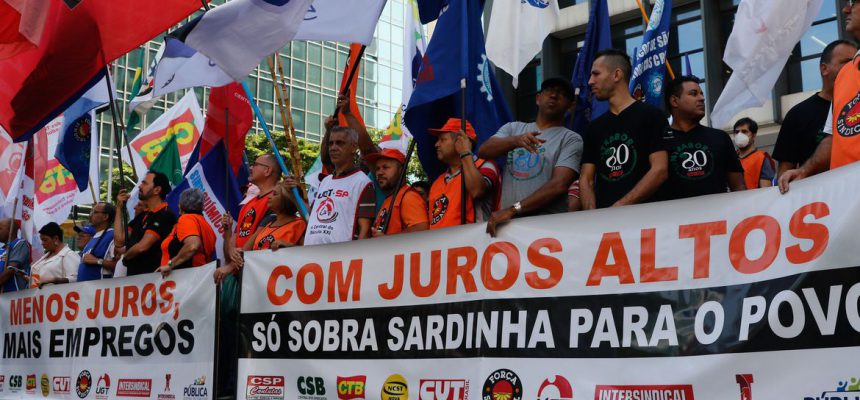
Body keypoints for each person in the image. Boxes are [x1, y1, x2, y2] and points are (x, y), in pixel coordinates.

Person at [478, 77, 583, 236]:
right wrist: (515, 141)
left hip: (548, 228)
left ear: (571, 106)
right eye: (548, 90)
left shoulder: (571, 139)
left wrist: (513, 209)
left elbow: (558, 185)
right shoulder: (513, 128)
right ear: (537, 98)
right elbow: (484, 151)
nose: (554, 95)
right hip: (509, 227)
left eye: (562, 93)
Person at [780, 1, 860, 192]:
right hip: (847, 198)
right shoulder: (845, 75)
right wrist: (804, 171)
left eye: (854, 2)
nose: (846, 9)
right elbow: (834, 138)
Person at [580, 48, 669, 209]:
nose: (590, 81)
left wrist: (620, 207)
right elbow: (586, 179)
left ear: (616, 75)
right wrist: (593, 217)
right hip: (604, 222)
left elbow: (660, 170)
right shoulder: (594, 128)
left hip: (648, 218)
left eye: (596, 74)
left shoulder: (652, 116)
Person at [773, 40, 858, 178]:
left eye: (856, 63)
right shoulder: (798, 114)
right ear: (824, 69)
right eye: (847, 62)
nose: (852, 68)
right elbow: (784, 175)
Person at [660, 76, 746, 199]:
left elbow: (738, 187)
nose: (702, 98)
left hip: (717, 211)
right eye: (693, 94)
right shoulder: (658, 141)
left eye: (701, 94)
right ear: (674, 101)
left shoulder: (720, 138)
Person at [300, 124, 376, 245]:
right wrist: (292, 194)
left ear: (353, 147)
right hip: (311, 254)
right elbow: (311, 216)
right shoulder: (325, 181)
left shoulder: (363, 182)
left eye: (339, 143)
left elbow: (365, 230)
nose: (333, 148)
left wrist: (358, 255)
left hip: (341, 255)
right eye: (331, 143)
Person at [215, 184, 307, 283]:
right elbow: (245, 253)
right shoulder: (268, 224)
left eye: (275, 194)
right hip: (256, 282)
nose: (269, 196)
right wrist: (229, 234)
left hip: (280, 283)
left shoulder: (300, 224)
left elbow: (308, 254)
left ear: (287, 199)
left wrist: (289, 247)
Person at [426, 118, 500, 230]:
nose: (437, 144)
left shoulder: (485, 166)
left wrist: (465, 152)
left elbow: (477, 190)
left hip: (475, 240)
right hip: (440, 241)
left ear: (460, 141)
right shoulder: (437, 182)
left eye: (442, 139)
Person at [223, 154, 281, 270]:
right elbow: (229, 253)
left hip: (255, 272)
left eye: (255, 164)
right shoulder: (247, 205)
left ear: (267, 171)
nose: (250, 168)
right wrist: (228, 232)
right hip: (238, 272)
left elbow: (259, 236)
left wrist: (231, 266)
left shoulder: (276, 201)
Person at [117, 171, 177, 275]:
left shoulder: (165, 214)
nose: (140, 186)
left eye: (144, 183)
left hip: (154, 279)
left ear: (157, 190)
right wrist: (118, 208)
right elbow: (119, 241)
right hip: (136, 280)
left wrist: (126, 256)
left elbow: (142, 247)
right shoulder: (142, 215)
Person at [367, 148, 429, 236]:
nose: (379, 172)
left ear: (401, 170)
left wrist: (387, 240)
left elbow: (421, 228)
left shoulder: (408, 196)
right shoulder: (390, 198)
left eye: (385, 167)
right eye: (377, 168)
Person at [156, 189, 216, 276]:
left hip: (183, 279)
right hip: (199, 277)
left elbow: (192, 246)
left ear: (181, 206)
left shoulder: (186, 219)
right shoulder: (207, 226)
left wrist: (170, 264)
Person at [77, 202, 118, 282]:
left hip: (101, 287)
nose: (90, 215)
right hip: (85, 288)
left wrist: (97, 261)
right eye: (91, 211)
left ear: (105, 217)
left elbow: (120, 266)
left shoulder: (112, 236)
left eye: (95, 212)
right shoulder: (94, 237)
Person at [30, 222, 78, 287]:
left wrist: (56, 280)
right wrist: (30, 280)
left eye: (45, 240)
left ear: (56, 239)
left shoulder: (69, 255)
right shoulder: (46, 255)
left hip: (57, 293)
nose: (42, 243)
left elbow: (75, 279)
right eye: (42, 240)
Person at [732, 117, 775, 189]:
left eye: (744, 131)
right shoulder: (731, 157)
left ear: (753, 136)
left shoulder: (762, 158)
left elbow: (765, 190)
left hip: (753, 196)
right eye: (737, 132)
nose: (739, 135)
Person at [0, 218, 31, 293]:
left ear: (10, 230)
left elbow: (11, 270)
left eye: (0, 228)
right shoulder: (2, 249)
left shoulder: (20, 244)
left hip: (15, 295)